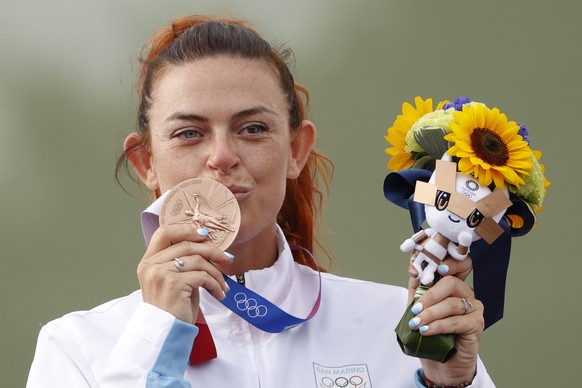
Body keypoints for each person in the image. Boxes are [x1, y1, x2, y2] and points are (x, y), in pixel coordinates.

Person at [27, 15, 495, 387]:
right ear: (146, 163)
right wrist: (154, 337)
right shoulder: (78, 348)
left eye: (253, 128)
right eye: (188, 133)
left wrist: (450, 384)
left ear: (295, 150)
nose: (222, 157)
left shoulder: (396, 329)